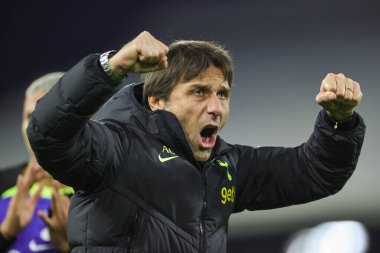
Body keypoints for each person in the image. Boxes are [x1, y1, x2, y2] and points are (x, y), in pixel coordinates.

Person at [27, 31, 365, 253]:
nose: (216, 107)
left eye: (223, 94)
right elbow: (48, 132)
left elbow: (315, 173)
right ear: (157, 100)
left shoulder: (226, 166)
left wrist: (339, 121)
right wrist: (110, 67)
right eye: (199, 92)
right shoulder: (114, 148)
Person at [0, 72, 72, 253]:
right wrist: (5, 233)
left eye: (47, 115)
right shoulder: (3, 184)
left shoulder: (107, 193)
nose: (35, 128)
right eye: (29, 117)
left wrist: (69, 248)